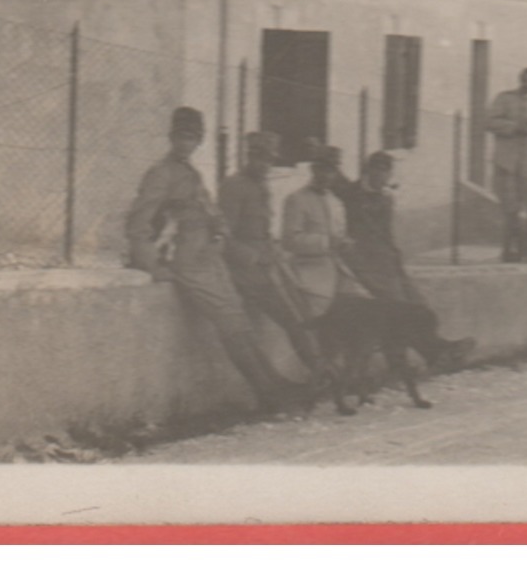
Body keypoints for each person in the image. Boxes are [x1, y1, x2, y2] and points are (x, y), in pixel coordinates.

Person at [126, 107, 304, 413]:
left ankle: (275, 384)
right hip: (187, 259)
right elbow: (138, 223)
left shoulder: (190, 173)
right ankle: (267, 393)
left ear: (199, 141)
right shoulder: (161, 172)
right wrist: (152, 265)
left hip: (208, 256)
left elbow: (208, 208)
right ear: (171, 137)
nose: (187, 143)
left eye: (193, 137)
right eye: (182, 136)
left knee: (238, 318)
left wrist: (220, 227)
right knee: (229, 321)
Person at [328, 149, 474, 370]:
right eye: (379, 171)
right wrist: (323, 153)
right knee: (402, 312)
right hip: (367, 264)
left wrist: (396, 258)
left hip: (389, 261)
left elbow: (387, 234)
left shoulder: (386, 199)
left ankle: (435, 351)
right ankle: (436, 352)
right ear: (369, 171)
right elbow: (333, 178)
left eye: (387, 172)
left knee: (420, 307)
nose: (384, 177)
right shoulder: (353, 193)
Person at [219, 132, 325, 377]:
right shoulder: (234, 186)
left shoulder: (261, 185)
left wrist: (274, 253)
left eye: (269, 160)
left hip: (269, 266)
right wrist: (253, 258)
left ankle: (321, 370)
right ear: (249, 157)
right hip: (248, 273)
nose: (266, 165)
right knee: (290, 318)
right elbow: (223, 236)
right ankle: (320, 372)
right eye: (261, 159)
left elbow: (263, 231)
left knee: (301, 312)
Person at [280, 147, 368, 317]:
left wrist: (345, 244)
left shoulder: (336, 203)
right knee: (320, 319)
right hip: (309, 272)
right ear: (313, 169)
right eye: (323, 169)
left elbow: (340, 237)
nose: (327, 175)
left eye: (331, 170)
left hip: (338, 270)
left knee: (365, 309)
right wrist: (327, 242)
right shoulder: (296, 200)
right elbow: (289, 240)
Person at [486, 67, 527, 262]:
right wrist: (514, 127)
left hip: (525, 163)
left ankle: (512, 251)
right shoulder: (504, 99)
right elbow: (489, 122)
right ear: (520, 79)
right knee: (508, 206)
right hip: (505, 161)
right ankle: (518, 248)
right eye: (526, 81)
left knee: (518, 207)